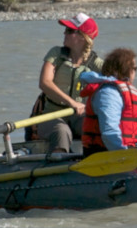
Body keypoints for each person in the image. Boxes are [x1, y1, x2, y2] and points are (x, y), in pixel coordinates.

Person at [27, 13, 103, 153]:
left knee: (96, 126)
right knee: (62, 131)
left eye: (69, 30)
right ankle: (58, 164)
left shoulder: (96, 63)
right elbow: (45, 82)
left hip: (78, 116)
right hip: (51, 116)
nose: (64, 33)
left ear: (82, 37)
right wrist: (72, 103)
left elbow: (119, 80)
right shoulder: (56, 53)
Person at [78, 48, 137, 167]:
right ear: (122, 70)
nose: (135, 72)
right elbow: (110, 132)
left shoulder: (119, 90)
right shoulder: (109, 93)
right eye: (134, 68)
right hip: (105, 153)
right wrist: (124, 157)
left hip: (122, 150)